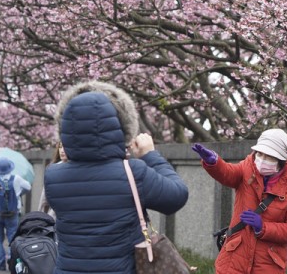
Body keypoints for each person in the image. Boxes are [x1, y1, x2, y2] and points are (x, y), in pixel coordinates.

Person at [44, 81, 189, 274]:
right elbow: (177, 196)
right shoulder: (133, 172)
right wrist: (150, 155)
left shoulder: (53, 175)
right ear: (119, 125)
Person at [192, 128, 287, 274]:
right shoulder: (248, 167)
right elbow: (229, 173)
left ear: (282, 160)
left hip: (268, 264)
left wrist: (263, 227)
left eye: (269, 156)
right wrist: (214, 163)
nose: (261, 160)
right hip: (235, 259)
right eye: (259, 153)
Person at [0, 157, 31, 271]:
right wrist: (19, 194)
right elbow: (28, 187)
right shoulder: (17, 179)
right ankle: (13, 262)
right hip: (13, 212)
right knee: (12, 237)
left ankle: (1, 263)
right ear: (9, 168)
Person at [38, 141, 67, 219]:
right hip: (55, 215)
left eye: (65, 147)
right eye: (60, 147)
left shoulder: (52, 169)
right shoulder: (52, 169)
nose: (62, 150)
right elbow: (44, 198)